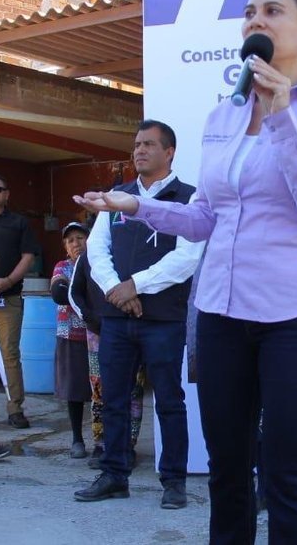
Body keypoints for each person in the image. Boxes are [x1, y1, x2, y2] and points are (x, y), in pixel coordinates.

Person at [75, 0, 297, 543]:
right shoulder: (223, 116)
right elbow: (206, 217)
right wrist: (136, 205)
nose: (256, 20)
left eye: (273, 10)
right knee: (227, 471)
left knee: (285, 472)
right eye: (250, 11)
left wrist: (282, 115)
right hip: (221, 314)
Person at [73, 119, 204, 510]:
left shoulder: (189, 198)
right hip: (117, 318)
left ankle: (174, 482)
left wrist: (136, 285)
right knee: (113, 400)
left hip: (162, 320)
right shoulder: (118, 196)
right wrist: (118, 290)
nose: (140, 151)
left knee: (169, 401)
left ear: (170, 152)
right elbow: (97, 250)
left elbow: (187, 257)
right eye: (136, 145)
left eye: (149, 144)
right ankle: (114, 475)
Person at [69, 247, 147, 470]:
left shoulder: (133, 250)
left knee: (134, 390)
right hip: (98, 334)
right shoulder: (87, 257)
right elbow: (74, 293)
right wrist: (91, 319)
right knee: (99, 390)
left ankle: (128, 446)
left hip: (134, 329)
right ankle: (101, 445)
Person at [0, 173, 38, 429]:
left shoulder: (19, 223)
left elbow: (28, 256)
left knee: (9, 354)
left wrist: (8, 281)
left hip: (9, 299)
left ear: (7, 194)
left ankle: (15, 409)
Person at [50, 222, 93, 458]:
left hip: (98, 335)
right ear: (66, 247)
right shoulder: (62, 267)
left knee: (102, 391)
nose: (76, 243)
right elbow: (58, 292)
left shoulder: (100, 264)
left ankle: (102, 440)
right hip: (71, 335)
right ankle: (77, 439)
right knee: (74, 390)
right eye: (70, 241)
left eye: (80, 238)